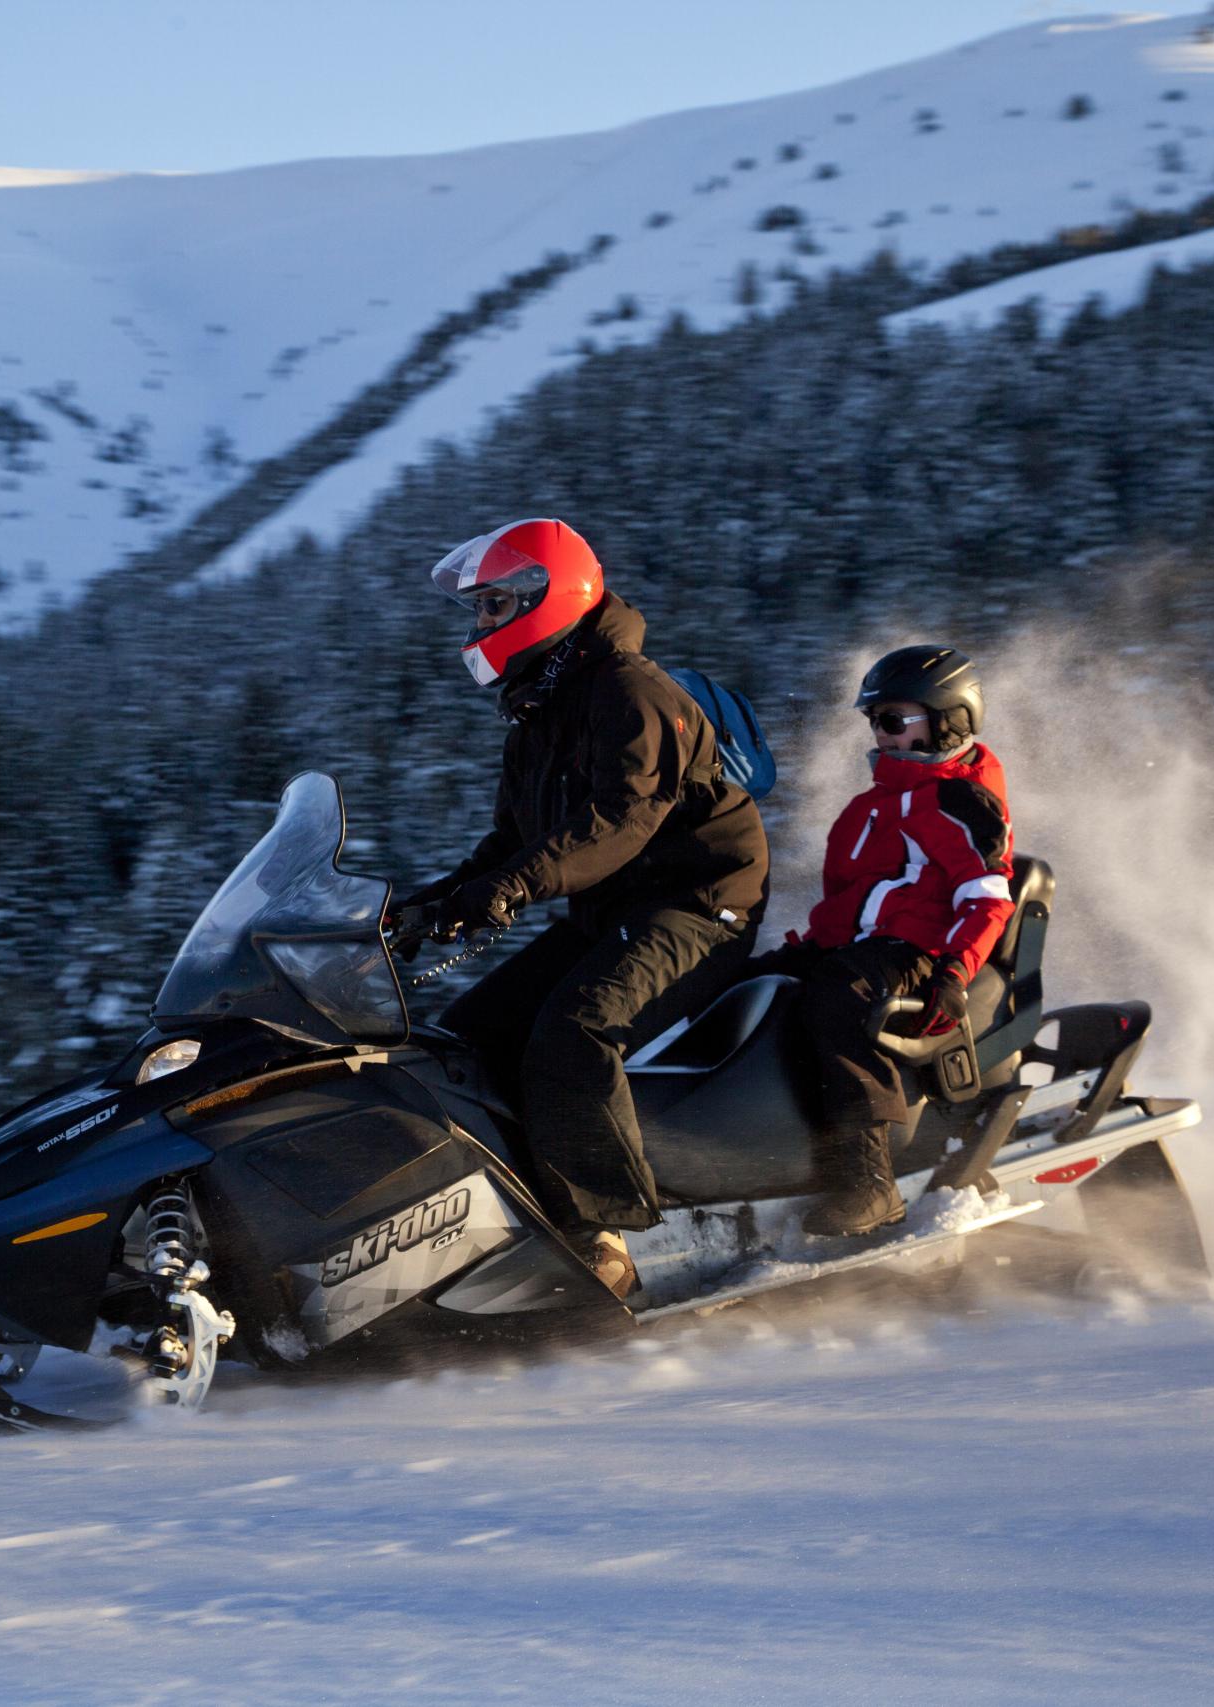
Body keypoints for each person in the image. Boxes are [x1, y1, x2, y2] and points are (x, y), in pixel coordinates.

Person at [393, 518, 770, 1297]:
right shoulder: (539, 708)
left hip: (701, 904)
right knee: (466, 1036)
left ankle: (607, 1243)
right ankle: (506, 1223)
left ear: (549, 597)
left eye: (495, 607)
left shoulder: (631, 692)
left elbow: (620, 821)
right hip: (614, 908)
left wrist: (509, 889)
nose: (481, 625)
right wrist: (421, 909)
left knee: (575, 1029)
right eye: (480, 610)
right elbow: (511, 840)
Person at [751, 645, 1014, 1238]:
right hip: (864, 946)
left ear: (949, 719)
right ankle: (766, 1159)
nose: (880, 733)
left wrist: (955, 971)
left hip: (921, 951)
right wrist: (799, 949)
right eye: (875, 721)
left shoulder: (958, 799)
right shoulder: (872, 806)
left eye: (895, 720)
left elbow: (988, 896)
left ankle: (871, 1184)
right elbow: (850, 905)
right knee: (755, 989)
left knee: (838, 996)